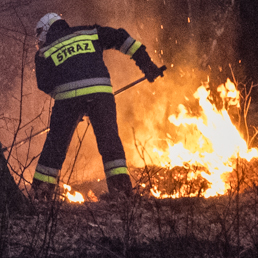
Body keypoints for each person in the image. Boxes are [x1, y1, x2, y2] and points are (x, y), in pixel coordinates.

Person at [30, 13, 164, 199]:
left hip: (68, 99)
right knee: (110, 142)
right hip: (101, 94)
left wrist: (71, 106)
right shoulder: (90, 32)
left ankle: (41, 193)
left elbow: (44, 84)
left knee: (55, 146)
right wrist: (147, 65)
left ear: (45, 30)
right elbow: (122, 38)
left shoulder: (44, 52)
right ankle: (122, 192)